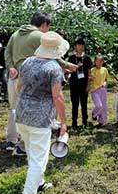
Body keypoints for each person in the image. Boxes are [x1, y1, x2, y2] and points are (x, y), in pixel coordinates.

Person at [5, 12, 76, 154]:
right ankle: (25, 144)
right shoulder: (39, 36)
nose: (48, 31)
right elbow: (52, 53)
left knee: (15, 109)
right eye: (48, 27)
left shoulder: (16, 34)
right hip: (31, 77)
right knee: (34, 107)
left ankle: (12, 140)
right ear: (44, 24)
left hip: (14, 77)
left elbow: (7, 52)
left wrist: (11, 67)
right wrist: (68, 66)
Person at [16, 31, 69, 194]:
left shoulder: (27, 62)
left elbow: (19, 88)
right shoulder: (53, 69)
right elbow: (58, 97)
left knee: (33, 153)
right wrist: (64, 123)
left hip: (22, 115)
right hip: (40, 119)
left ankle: (39, 183)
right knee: (39, 159)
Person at [68, 37, 92, 129]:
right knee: (74, 104)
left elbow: (89, 72)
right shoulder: (71, 58)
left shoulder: (87, 58)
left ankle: (85, 122)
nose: (81, 47)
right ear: (75, 47)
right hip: (74, 84)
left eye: (82, 45)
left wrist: (89, 84)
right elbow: (68, 70)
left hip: (84, 84)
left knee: (84, 104)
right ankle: (74, 122)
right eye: (79, 45)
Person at [90, 54, 109, 127]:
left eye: (101, 61)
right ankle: (94, 114)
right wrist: (91, 78)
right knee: (99, 106)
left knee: (104, 106)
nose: (99, 63)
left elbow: (106, 79)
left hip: (102, 90)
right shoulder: (92, 70)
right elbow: (90, 79)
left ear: (103, 62)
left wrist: (104, 83)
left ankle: (101, 122)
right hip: (95, 91)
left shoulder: (105, 70)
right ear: (94, 62)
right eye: (97, 61)